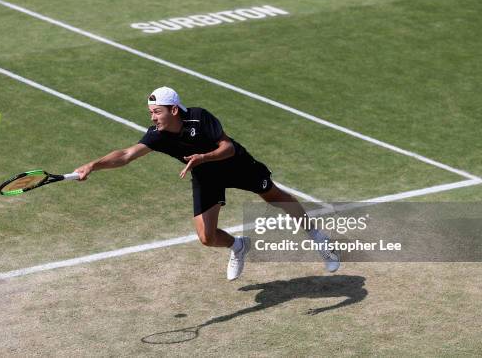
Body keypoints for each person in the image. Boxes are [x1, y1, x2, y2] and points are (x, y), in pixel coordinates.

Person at [74, 86, 340, 280]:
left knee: (275, 197)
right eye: (151, 113)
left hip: (236, 165)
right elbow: (126, 155)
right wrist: (93, 165)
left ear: (174, 110)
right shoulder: (158, 135)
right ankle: (239, 246)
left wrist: (203, 156)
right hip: (205, 175)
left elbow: (227, 147)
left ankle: (317, 237)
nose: (152, 118)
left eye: (156, 112)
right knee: (206, 237)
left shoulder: (199, 118)